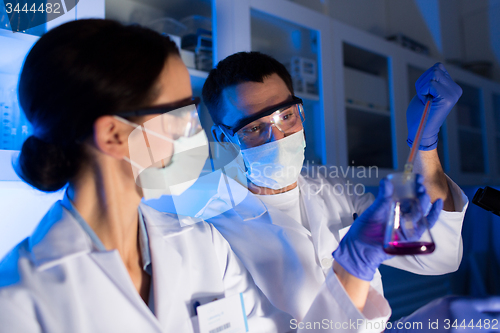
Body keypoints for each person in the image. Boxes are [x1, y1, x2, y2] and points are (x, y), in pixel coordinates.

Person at [0, 18, 430, 333]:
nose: (196, 131)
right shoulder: (19, 301)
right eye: (177, 113)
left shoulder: (198, 245)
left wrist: (362, 270)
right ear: (114, 134)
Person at [199, 52, 468, 320]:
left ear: (300, 112)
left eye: (286, 116)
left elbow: (440, 257)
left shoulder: (337, 187)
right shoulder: (211, 229)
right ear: (224, 138)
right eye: (254, 128)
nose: (278, 138)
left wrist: (424, 144)